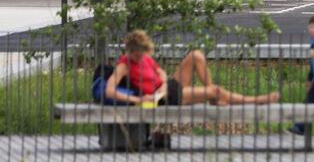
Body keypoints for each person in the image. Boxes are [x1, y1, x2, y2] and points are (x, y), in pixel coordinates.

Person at [105, 29, 281, 106]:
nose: (140, 56)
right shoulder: (124, 65)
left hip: (167, 88)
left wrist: (165, 84)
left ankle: (211, 95)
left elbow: (160, 72)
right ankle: (256, 100)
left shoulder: (144, 57)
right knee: (216, 91)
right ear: (131, 50)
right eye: (137, 54)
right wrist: (139, 100)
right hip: (164, 99)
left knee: (196, 55)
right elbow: (110, 91)